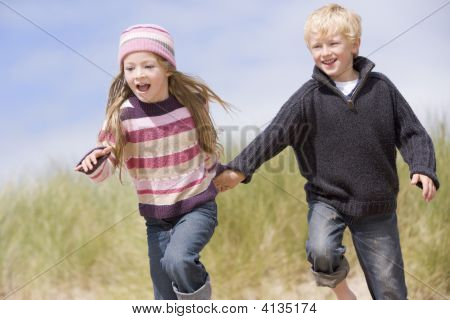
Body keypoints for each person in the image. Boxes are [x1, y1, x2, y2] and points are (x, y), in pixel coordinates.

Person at [214, 4, 439, 299]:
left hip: (377, 205)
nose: (325, 52)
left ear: (354, 45)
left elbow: (412, 132)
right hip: (327, 199)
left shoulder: (382, 89)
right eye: (316, 46)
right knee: (321, 251)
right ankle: (343, 292)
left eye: (333, 43)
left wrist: (422, 166)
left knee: (390, 290)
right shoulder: (308, 98)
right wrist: (239, 169)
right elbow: (273, 135)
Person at [75, 24, 229, 300]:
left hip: (197, 206)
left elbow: (204, 146)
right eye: (130, 68)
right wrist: (95, 162)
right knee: (163, 298)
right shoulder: (123, 116)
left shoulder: (192, 102)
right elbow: (108, 163)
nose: (138, 75)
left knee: (178, 260)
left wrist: (216, 171)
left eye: (147, 66)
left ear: (167, 68)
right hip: (156, 220)